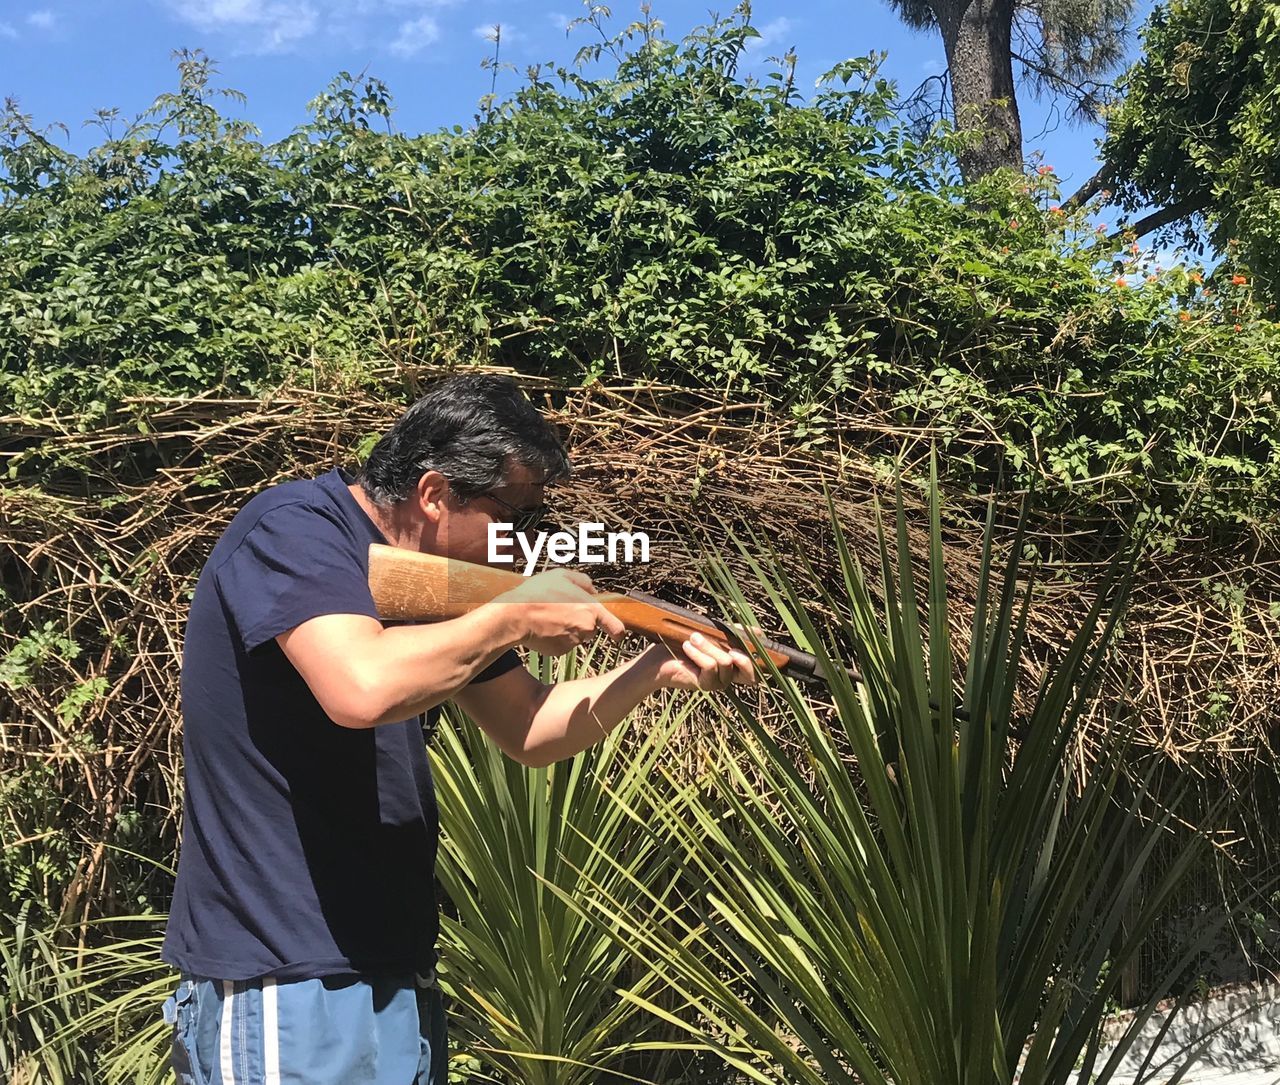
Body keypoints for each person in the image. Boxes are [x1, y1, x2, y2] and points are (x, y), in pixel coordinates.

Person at [159, 373, 756, 1085]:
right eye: (516, 516)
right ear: (437, 494)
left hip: (393, 966)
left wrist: (651, 669)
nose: (525, 542)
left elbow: (530, 727)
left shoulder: (438, 588)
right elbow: (360, 687)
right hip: (281, 974)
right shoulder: (293, 530)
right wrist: (512, 615)